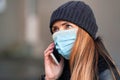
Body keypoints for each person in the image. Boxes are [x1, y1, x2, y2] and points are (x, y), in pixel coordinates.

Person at [41, 1, 120, 80]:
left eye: (68, 26)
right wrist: (50, 78)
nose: (59, 33)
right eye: (55, 29)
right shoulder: (60, 70)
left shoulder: (105, 74)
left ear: (85, 33)